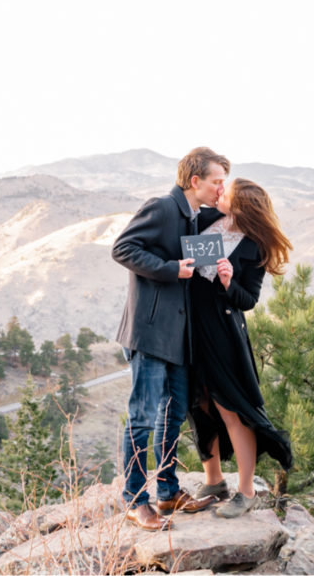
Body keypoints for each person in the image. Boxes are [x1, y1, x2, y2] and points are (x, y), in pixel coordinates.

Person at [112, 147, 230, 531]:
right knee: (143, 417)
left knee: (173, 413)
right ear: (195, 181)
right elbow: (123, 248)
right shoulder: (162, 207)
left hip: (178, 336)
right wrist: (168, 269)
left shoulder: (194, 216)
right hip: (149, 333)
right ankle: (134, 500)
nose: (220, 188)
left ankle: (167, 491)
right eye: (216, 181)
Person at [188, 178, 293, 518]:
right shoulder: (205, 220)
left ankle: (245, 491)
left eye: (226, 191)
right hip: (189, 328)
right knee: (199, 405)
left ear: (239, 205)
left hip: (222, 334)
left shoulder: (254, 247)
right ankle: (214, 479)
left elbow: (249, 299)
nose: (220, 191)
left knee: (231, 410)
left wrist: (229, 282)